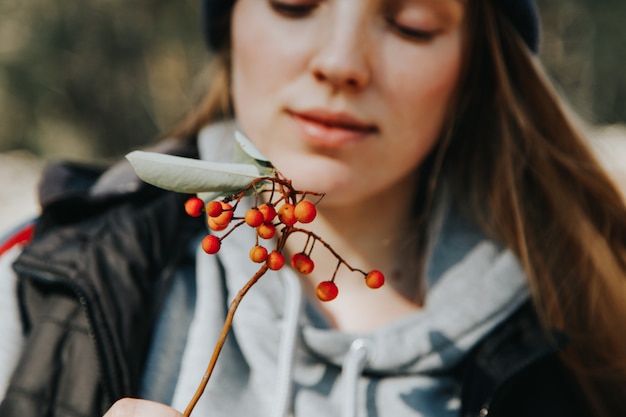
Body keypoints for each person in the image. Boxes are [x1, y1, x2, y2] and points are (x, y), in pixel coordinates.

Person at [1, 0, 626, 416]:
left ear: (476, 65)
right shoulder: (46, 281)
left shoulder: (596, 327)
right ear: (233, 23)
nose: (340, 63)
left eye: (411, 21)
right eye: (294, 2)